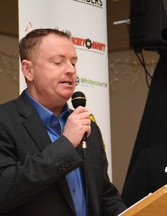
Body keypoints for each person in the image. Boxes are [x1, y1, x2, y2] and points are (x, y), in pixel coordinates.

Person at [0, 28, 126, 216]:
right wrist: (66, 144)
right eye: (58, 62)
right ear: (28, 70)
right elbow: (5, 191)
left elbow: (104, 194)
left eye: (73, 63)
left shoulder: (86, 126)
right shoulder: (5, 120)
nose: (70, 70)